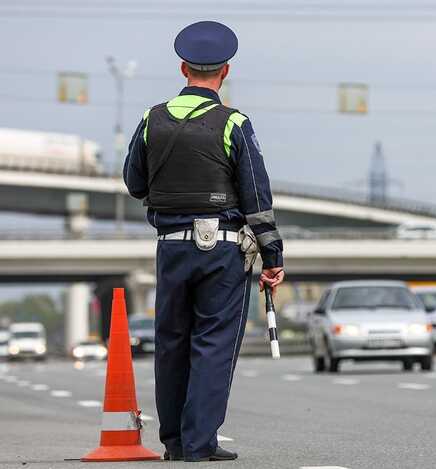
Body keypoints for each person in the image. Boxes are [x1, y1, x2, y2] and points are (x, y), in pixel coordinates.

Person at [122, 20, 285, 462]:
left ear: (183, 68)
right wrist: (272, 254)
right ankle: (199, 444)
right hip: (223, 251)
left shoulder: (151, 119)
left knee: (171, 341)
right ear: (225, 72)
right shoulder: (234, 123)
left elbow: (134, 183)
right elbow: (256, 195)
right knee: (212, 343)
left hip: (171, 246)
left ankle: (174, 443)